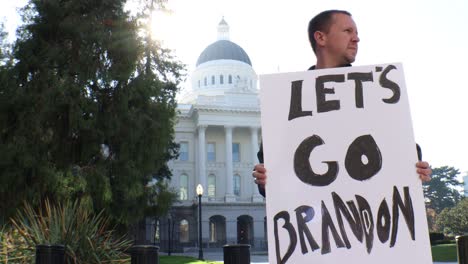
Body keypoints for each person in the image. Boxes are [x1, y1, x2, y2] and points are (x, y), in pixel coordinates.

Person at [252, 10, 432, 197]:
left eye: (356, 33)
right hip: (316, 218)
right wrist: (265, 179)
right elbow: (273, 166)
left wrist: (417, 168)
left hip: (368, 214)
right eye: (348, 31)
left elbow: (402, 147)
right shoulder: (286, 98)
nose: (356, 39)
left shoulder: (376, 91)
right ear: (321, 37)